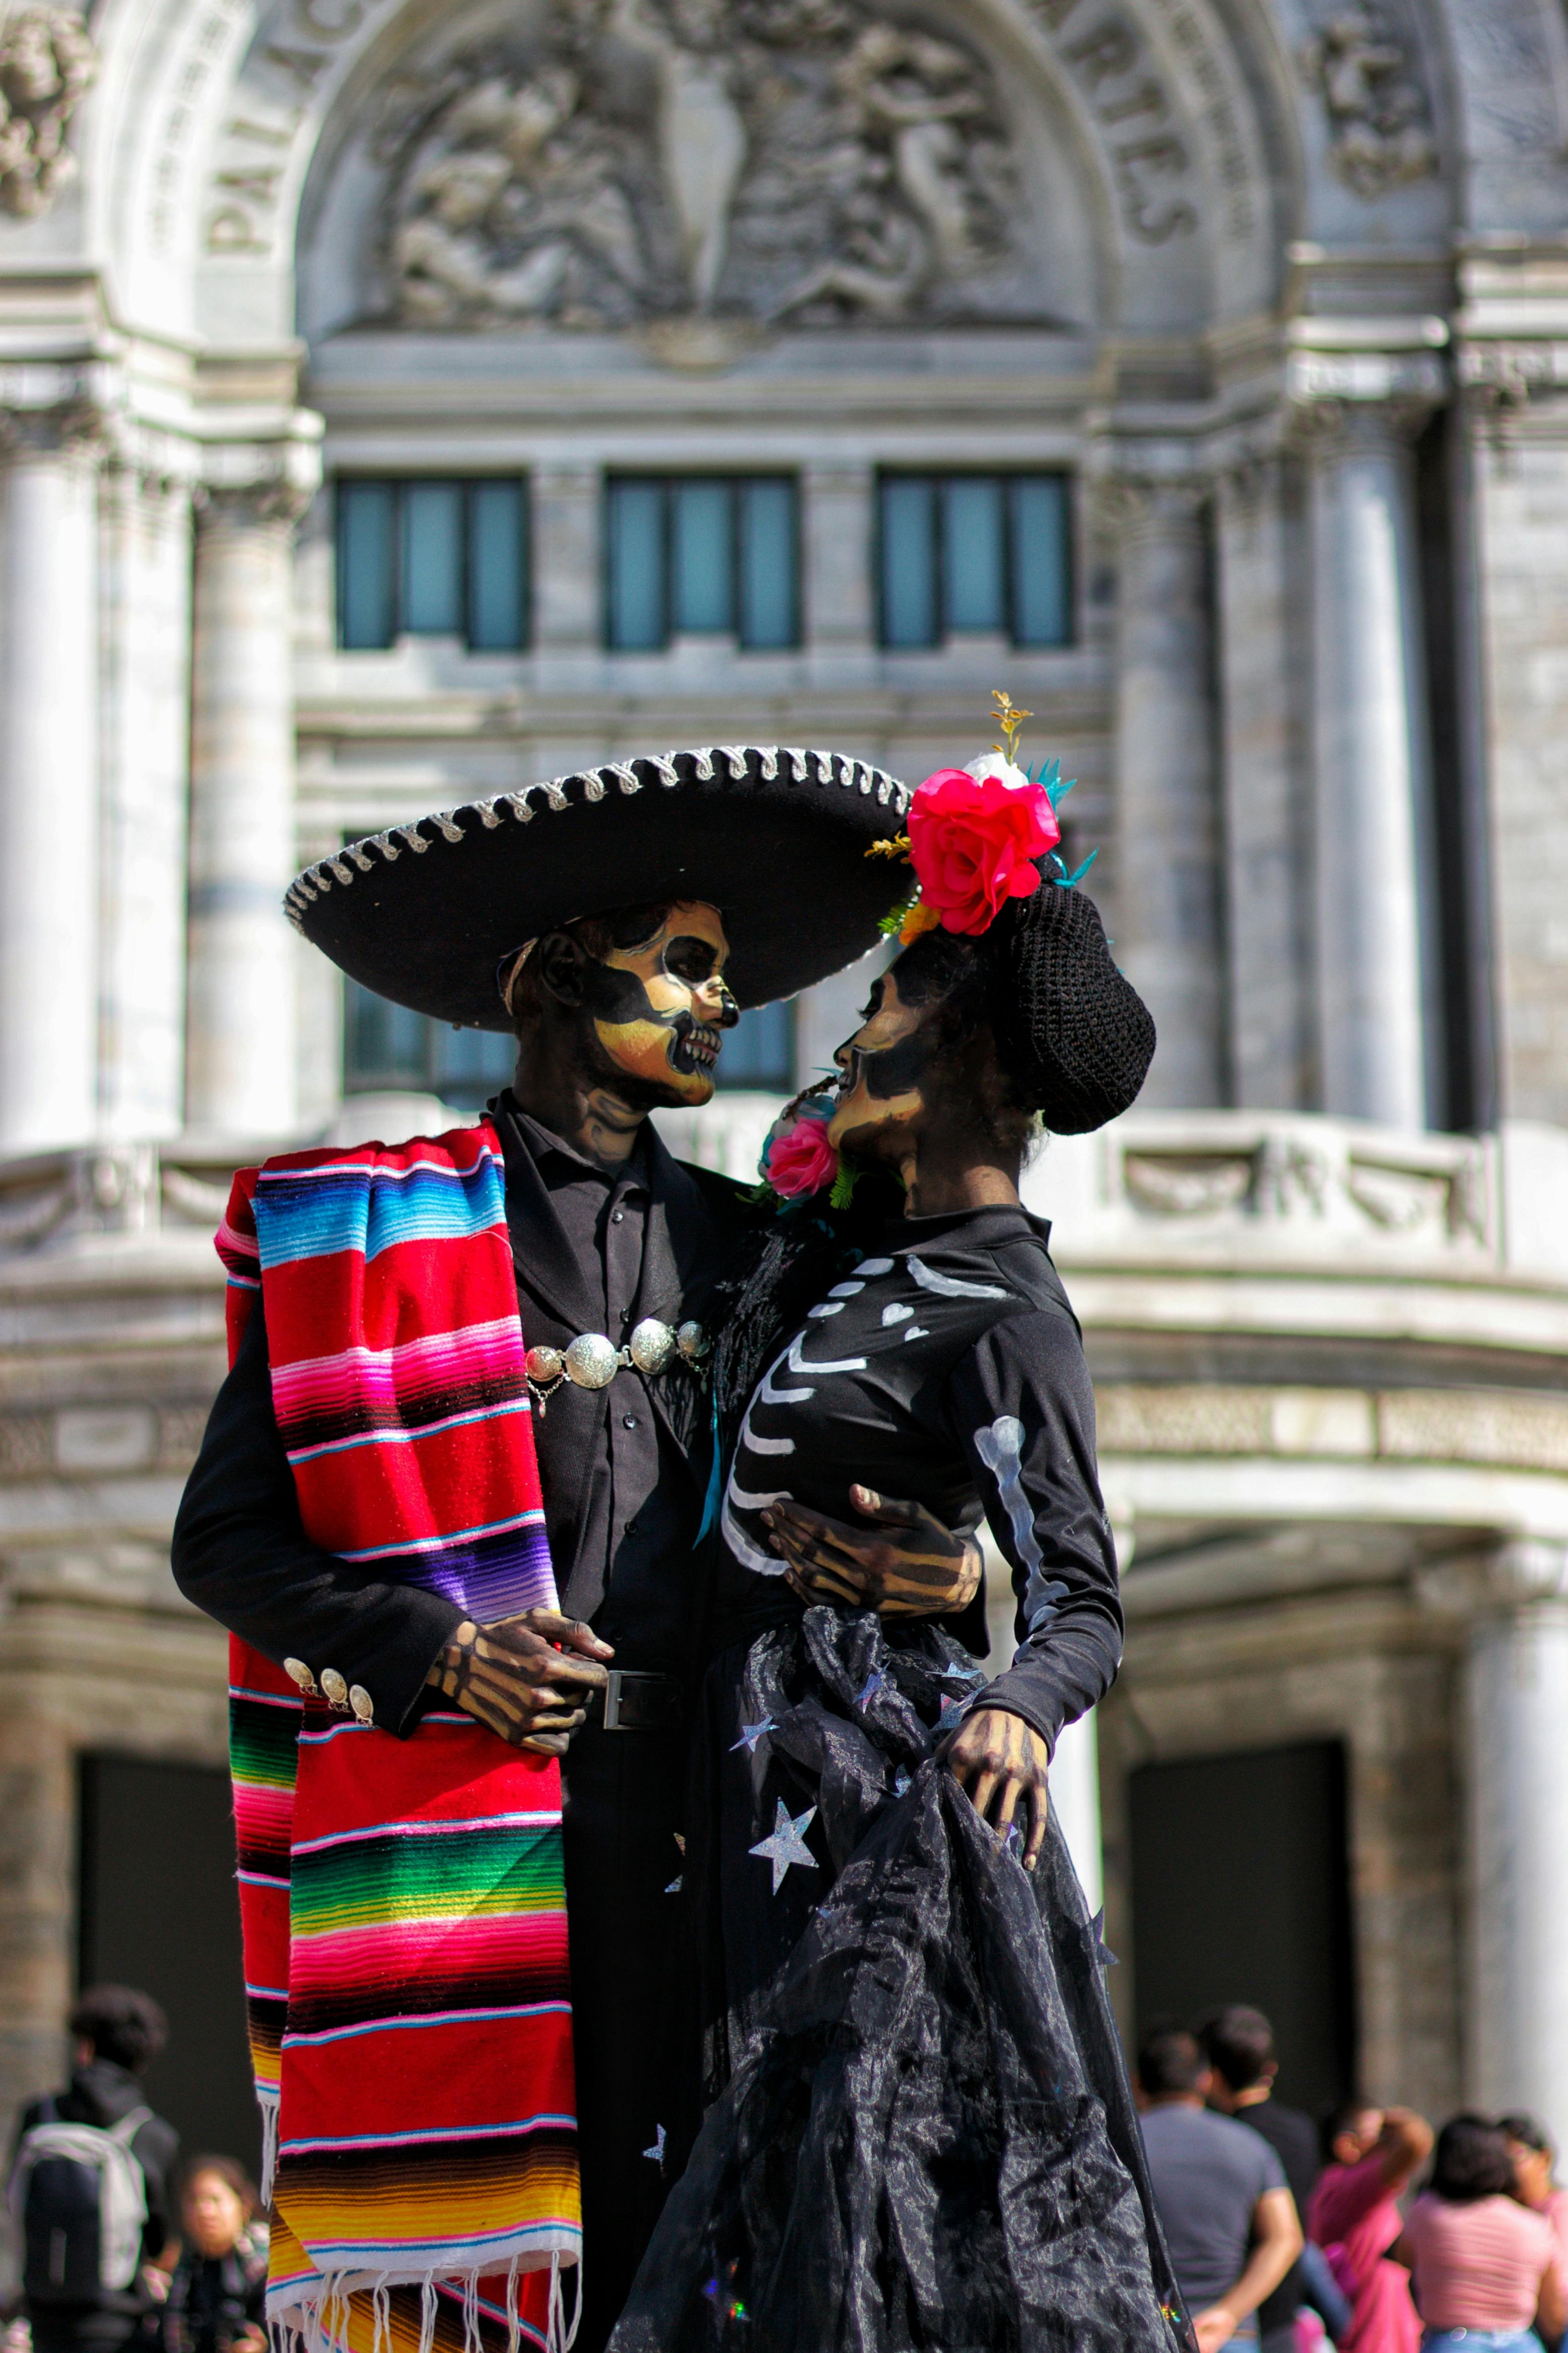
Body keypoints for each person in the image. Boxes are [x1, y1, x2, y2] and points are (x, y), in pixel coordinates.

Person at [171, 742, 980, 2353]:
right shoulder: (357, 1236)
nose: (715, 1002)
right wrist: (436, 1647)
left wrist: (956, 1572)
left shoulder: (764, 1243)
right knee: (511, 2276)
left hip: (727, 1826)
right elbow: (225, 1545)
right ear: (551, 974)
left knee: (732, 2262)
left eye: (725, 973)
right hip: (479, 1833)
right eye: (683, 961)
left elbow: (949, 1498)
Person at [608, 727, 1196, 2350]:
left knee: (863, 2243)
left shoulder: (1008, 1302)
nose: (849, 1035)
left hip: (866, 1828)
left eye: (880, 1006)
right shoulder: (833, 1257)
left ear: (961, 1053)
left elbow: (1082, 1591)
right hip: (739, 1800)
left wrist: (1011, 1684)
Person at [10, 1987, 179, 2353]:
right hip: (114, 2319)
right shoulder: (151, 2132)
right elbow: (156, 2238)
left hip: (43, 2312)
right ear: (142, 2057)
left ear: (85, 2045)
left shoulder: (39, 2116)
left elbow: (14, 2199)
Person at [1138, 2025, 1304, 2351]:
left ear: (1135, 2081)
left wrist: (1171, 2318)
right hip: (1227, 2337)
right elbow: (1285, 2237)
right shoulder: (1250, 2146)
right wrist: (1228, 2314)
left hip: (1147, 2328)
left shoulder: (1116, 2149)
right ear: (1205, 2080)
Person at [1202, 2005, 1351, 2353]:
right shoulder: (1301, 2131)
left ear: (1211, 2076)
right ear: (1270, 2069)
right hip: (1284, 2307)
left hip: (1231, 2313)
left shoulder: (1227, 2140)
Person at [1394, 2113, 1565, 2352]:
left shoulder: (1427, 2213)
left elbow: (1403, 2259)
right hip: (1520, 2343)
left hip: (1453, 2341)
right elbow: (1555, 2316)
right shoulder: (1534, 2225)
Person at [1308, 2100, 1433, 2353]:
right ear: (1348, 2146)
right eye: (1383, 2139)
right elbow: (1415, 2143)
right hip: (1375, 2341)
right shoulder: (1350, 2188)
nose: (1389, 2148)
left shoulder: (1335, 2189)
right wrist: (1392, 2119)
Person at [160, 2160, 267, 2353]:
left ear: (244, 2206)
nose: (205, 2212)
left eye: (215, 2200)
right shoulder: (186, 2272)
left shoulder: (268, 2261)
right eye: (193, 2201)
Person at [1503, 2112, 1568, 2349]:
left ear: (1544, 2159)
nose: (1508, 2172)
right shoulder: (1506, 2213)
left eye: (1515, 2158)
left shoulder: (1561, 2209)